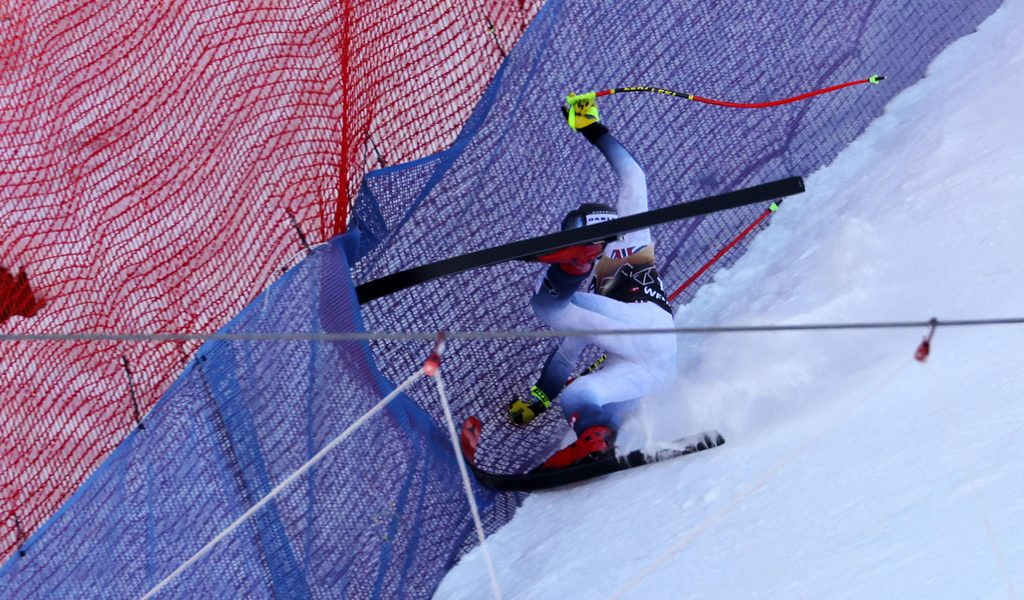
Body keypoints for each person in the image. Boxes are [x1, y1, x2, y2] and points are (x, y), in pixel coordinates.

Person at [507, 94, 677, 470]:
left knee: (552, 306)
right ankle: (596, 441)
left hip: (649, 327)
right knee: (580, 394)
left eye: (579, 242)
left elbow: (633, 177)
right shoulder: (595, 303)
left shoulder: (630, 240)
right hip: (651, 373)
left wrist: (589, 125)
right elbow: (567, 354)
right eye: (571, 245)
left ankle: (570, 266)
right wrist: (539, 400)